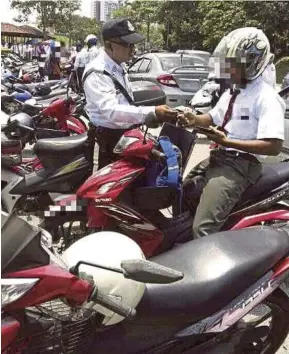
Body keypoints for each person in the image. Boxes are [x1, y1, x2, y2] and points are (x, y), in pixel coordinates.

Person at [178, 27, 285, 238]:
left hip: (240, 166)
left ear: (253, 64)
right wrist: (192, 118)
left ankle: (204, 265)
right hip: (220, 157)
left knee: (203, 228)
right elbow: (212, 117)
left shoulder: (267, 98)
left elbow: (273, 146)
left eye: (234, 65)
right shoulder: (234, 91)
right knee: (182, 192)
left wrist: (228, 141)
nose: (228, 70)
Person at [83, 18, 177, 169]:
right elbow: (111, 111)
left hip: (123, 137)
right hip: (107, 142)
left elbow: (126, 102)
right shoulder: (98, 72)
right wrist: (152, 111)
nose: (133, 49)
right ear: (109, 45)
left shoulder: (118, 66)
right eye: (128, 44)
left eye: (133, 44)